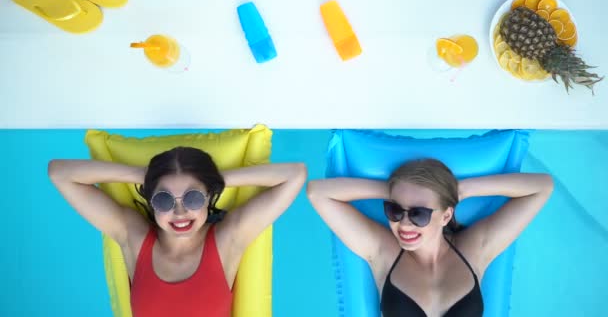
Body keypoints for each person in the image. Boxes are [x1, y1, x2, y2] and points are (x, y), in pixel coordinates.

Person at [48, 146, 307, 317]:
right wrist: (144, 175)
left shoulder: (228, 240)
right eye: (164, 200)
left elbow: (295, 175)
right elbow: (59, 172)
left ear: (208, 197)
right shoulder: (135, 239)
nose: (180, 213)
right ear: (150, 201)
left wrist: (213, 181)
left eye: (193, 198)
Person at [306, 158, 553, 317]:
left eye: (418, 214)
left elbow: (542, 186)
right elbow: (318, 192)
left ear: (446, 216)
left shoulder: (474, 249)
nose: (403, 224)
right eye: (394, 210)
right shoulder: (384, 252)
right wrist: (396, 189)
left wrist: (459, 191)